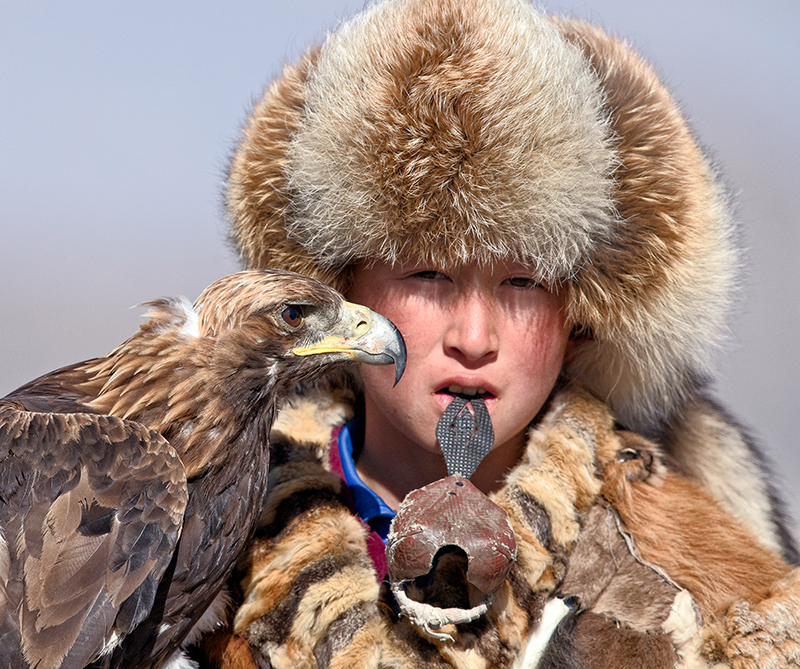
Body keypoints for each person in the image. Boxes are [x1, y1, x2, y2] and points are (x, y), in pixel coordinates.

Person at [193, 1, 799, 667]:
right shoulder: (188, 550)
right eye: (427, 273)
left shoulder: (698, 588)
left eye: (523, 282)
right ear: (338, 286)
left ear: (583, 319)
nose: (475, 336)